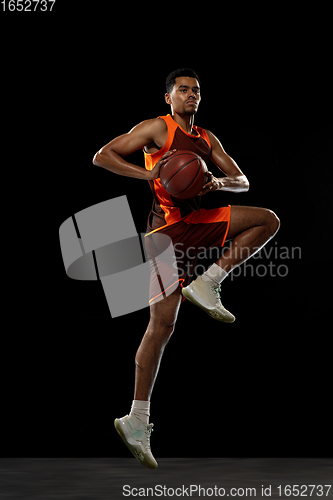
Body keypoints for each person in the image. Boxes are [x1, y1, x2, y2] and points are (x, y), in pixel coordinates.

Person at [93, 68, 280, 469]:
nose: (190, 95)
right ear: (169, 97)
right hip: (164, 233)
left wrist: (218, 184)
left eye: (196, 91)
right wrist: (146, 173)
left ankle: (209, 282)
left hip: (200, 221)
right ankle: (137, 419)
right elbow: (102, 155)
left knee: (267, 219)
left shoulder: (208, 139)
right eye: (183, 90)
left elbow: (242, 179)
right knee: (161, 326)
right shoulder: (155, 129)